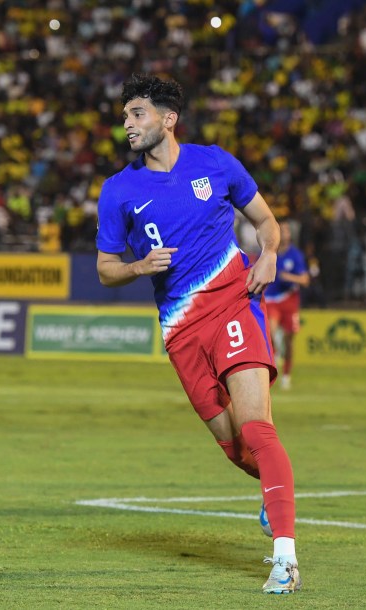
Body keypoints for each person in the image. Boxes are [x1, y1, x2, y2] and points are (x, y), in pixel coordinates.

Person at [95, 74, 301, 594]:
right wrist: (140, 267)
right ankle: (274, 492)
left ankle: (285, 558)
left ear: (168, 119)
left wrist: (269, 253)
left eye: (137, 113)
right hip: (180, 331)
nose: (127, 124)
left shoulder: (215, 163)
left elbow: (266, 221)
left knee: (257, 429)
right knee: (235, 449)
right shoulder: (118, 190)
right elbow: (104, 268)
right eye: (124, 116)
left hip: (234, 304)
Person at [265, 220, 309, 390]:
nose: (284, 234)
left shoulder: (295, 255)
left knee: (290, 340)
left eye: (286, 231)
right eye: (280, 230)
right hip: (272, 299)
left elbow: (305, 280)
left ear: (290, 235)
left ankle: (286, 375)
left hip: (289, 300)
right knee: (271, 330)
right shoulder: (269, 252)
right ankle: (275, 354)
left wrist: (288, 277)